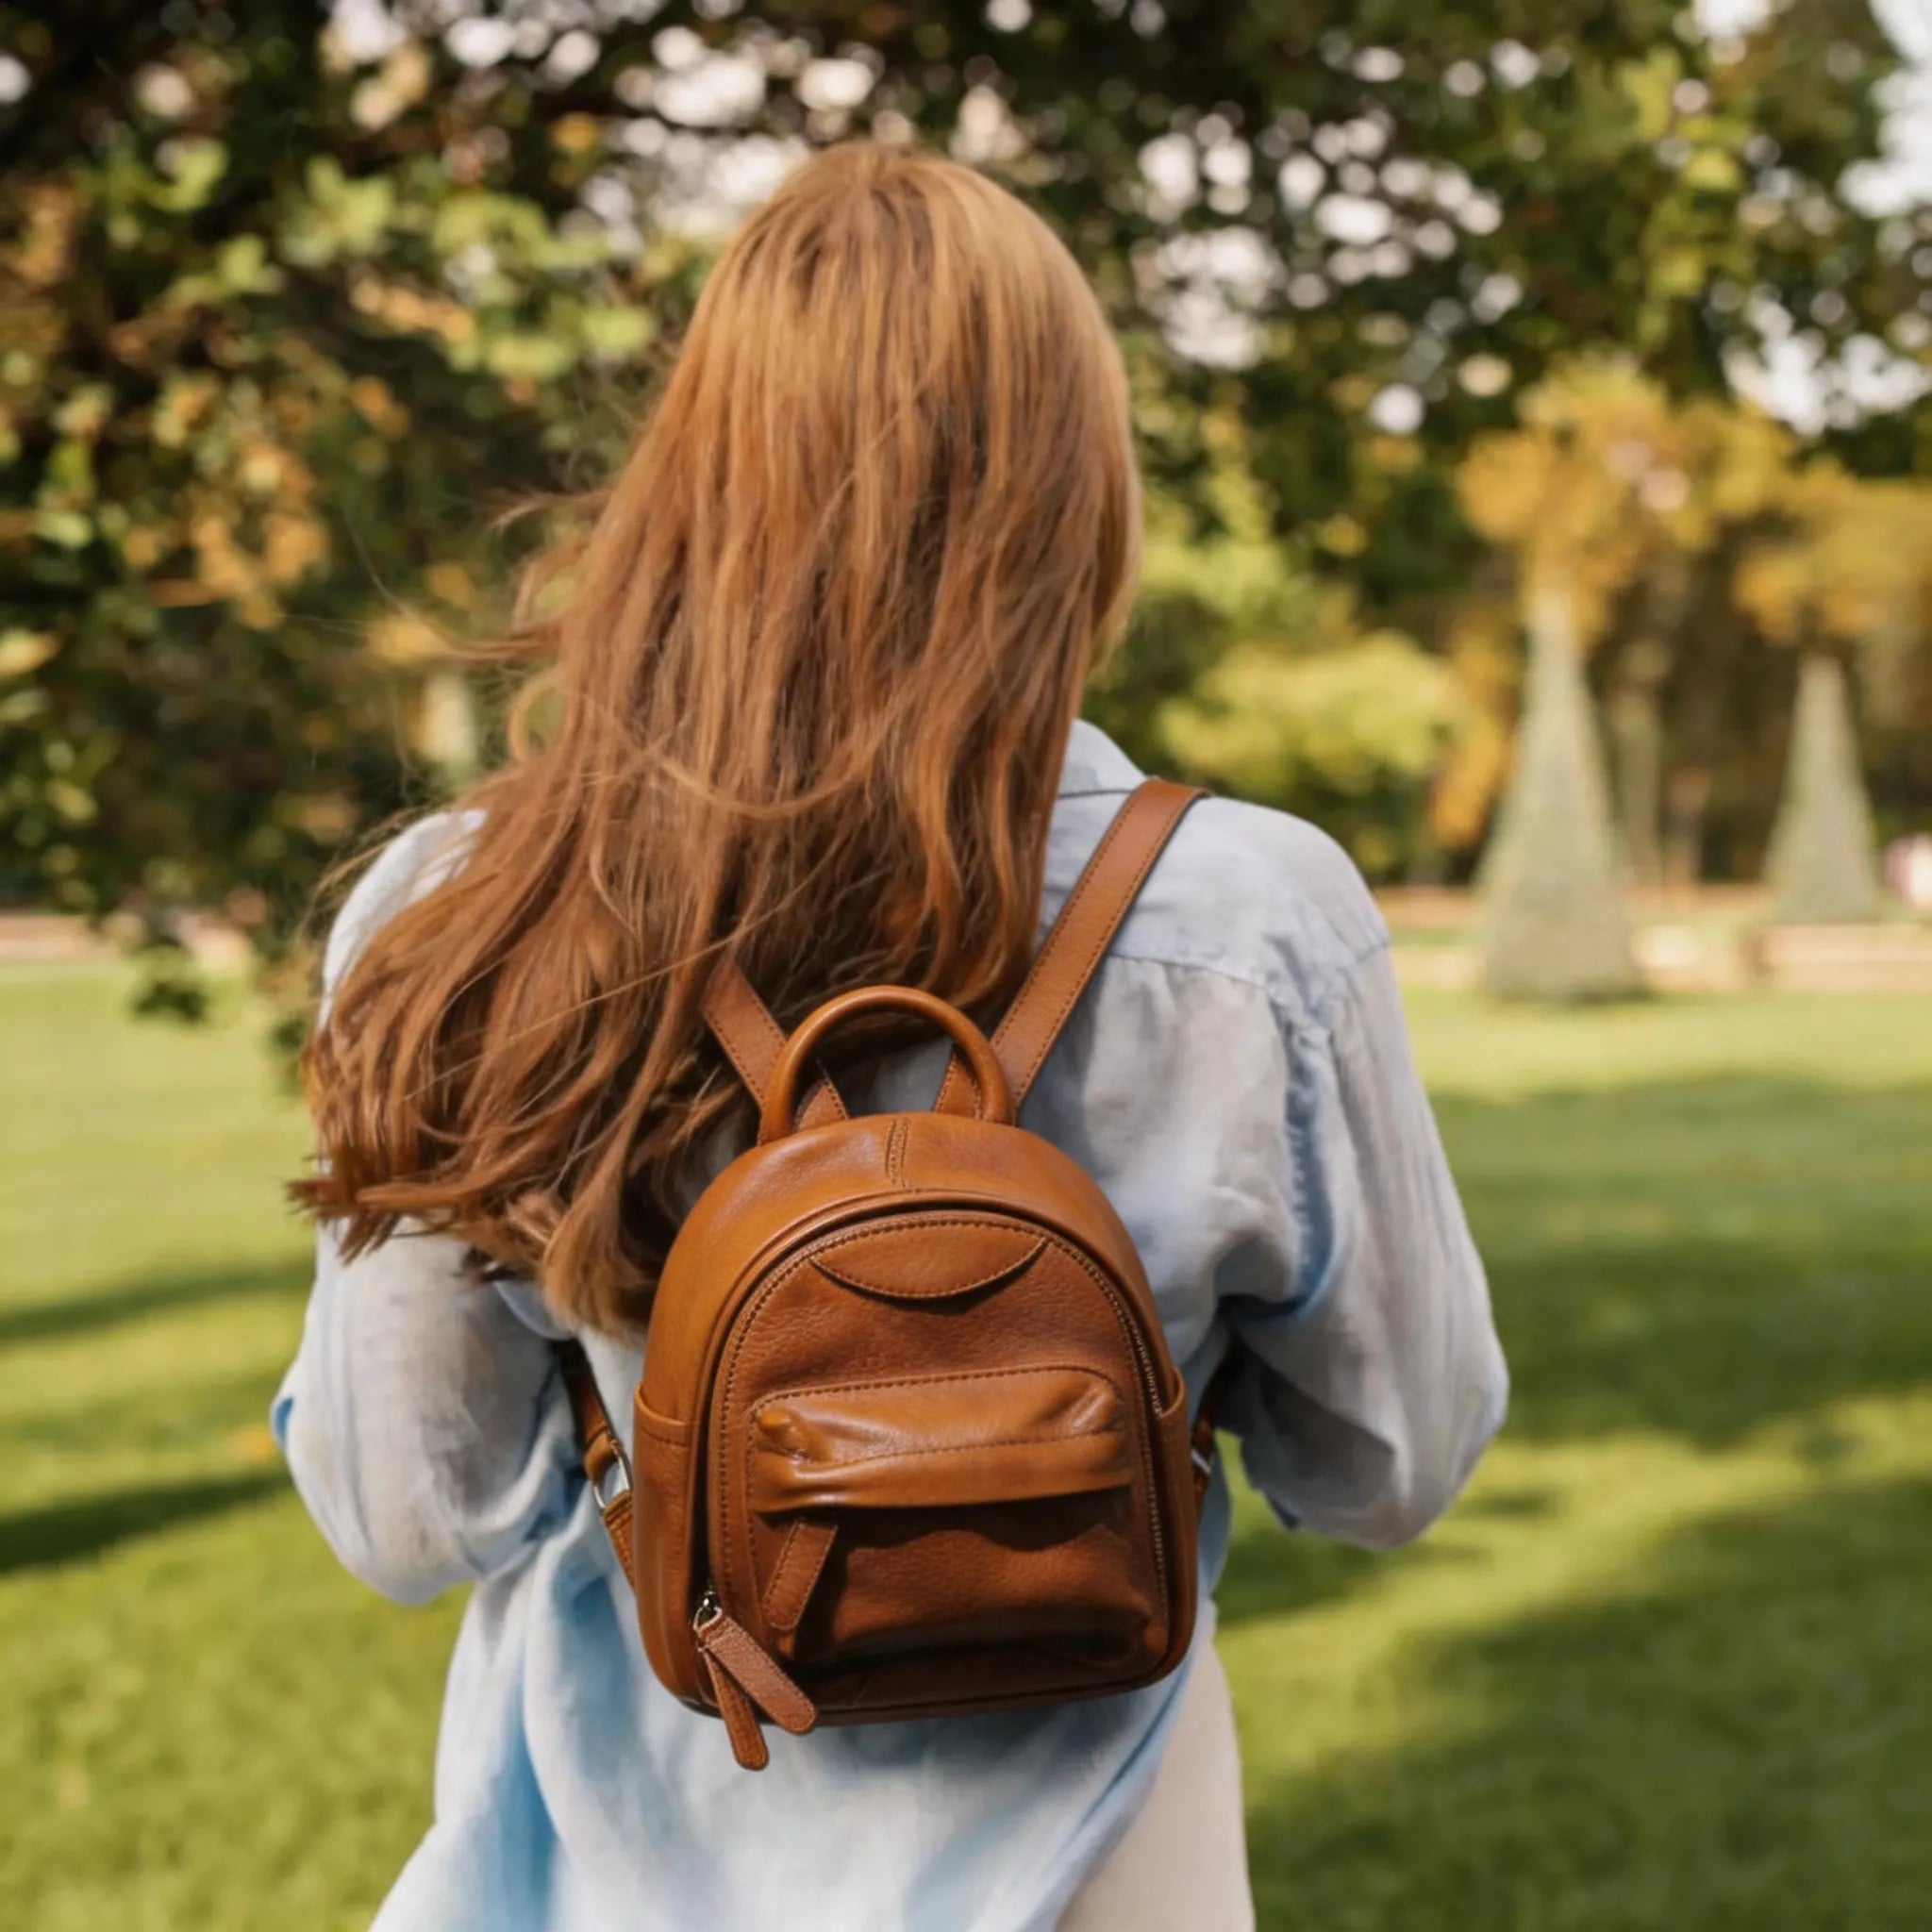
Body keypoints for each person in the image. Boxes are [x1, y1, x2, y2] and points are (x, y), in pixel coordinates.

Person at [278, 142, 1507, 1932]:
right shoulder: (1253, 916)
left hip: (614, 1860)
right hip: (1102, 1862)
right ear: (1078, 485)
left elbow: (413, 1517)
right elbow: (1394, 1466)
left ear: (693, 472)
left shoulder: (468, 905)